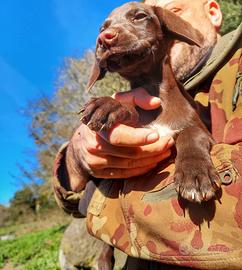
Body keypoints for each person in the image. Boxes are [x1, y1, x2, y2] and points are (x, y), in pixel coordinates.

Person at [53, 0, 242, 269]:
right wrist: (76, 160)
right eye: (105, 29)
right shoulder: (122, 108)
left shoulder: (230, 74)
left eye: (172, 12)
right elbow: (76, 203)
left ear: (212, 12)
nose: (108, 34)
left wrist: (105, 202)